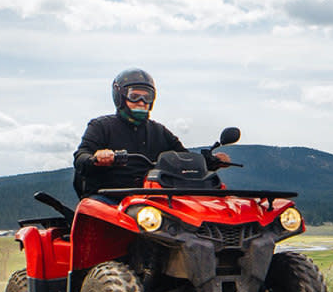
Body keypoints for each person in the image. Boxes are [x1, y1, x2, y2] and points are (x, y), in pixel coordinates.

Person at [73, 68, 228, 197]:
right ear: (120, 97)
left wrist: (210, 162)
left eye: (147, 97)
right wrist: (96, 157)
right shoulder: (101, 126)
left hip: (152, 197)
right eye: (134, 96)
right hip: (110, 197)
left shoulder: (159, 131)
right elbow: (80, 157)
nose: (141, 101)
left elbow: (183, 158)